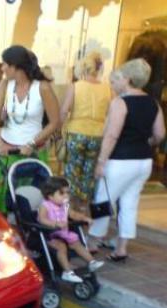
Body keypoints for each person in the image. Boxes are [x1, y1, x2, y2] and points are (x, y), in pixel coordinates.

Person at [89, 59, 166, 261]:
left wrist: (101, 162)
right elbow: (160, 134)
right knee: (130, 203)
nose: (115, 83)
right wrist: (146, 141)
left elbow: (112, 135)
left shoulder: (120, 102)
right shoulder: (153, 103)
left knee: (103, 200)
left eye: (119, 78)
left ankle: (94, 242)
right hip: (143, 161)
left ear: (128, 79)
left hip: (120, 160)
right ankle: (121, 247)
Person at [0, 45, 61, 215]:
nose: (2, 68)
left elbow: (55, 122)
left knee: (29, 202)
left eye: (5, 64)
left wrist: (32, 143)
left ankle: (24, 234)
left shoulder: (42, 88)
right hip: (6, 152)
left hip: (32, 152)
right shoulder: (5, 84)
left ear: (17, 66)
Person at [60, 52, 111, 212]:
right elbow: (111, 113)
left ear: (83, 67)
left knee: (71, 173)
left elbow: (64, 111)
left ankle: (70, 210)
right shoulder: (108, 89)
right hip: (98, 135)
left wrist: (59, 130)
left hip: (76, 132)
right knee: (89, 174)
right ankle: (83, 208)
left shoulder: (76, 86)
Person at [38, 176, 104, 283]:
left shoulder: (65, 205)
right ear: (50, 196)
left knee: (77, 243)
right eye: (62, 193)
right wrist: (55, 224)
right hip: (49, 234)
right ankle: (67, 272)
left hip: (64, 233)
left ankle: (91, 262)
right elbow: (42, 219)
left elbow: (73, 214)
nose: (66, 196)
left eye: (67, 193)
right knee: (62, 247)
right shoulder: (45, 206)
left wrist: (84, 218)